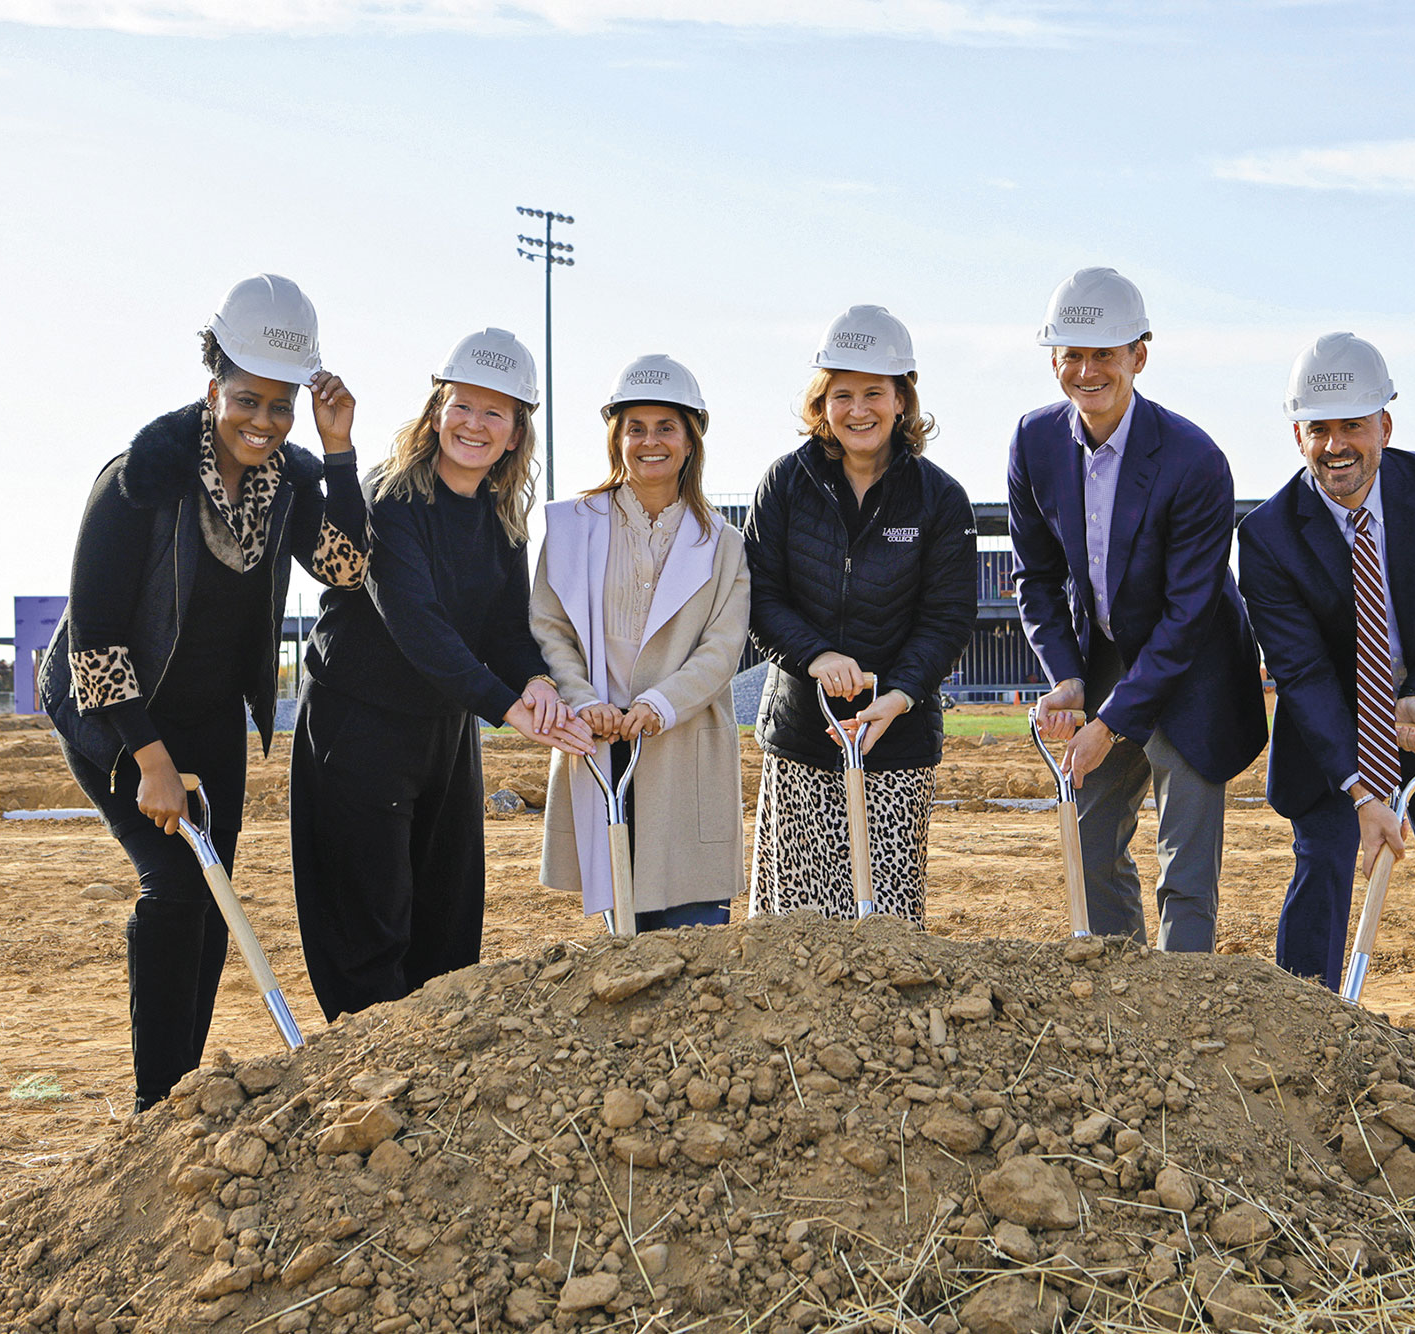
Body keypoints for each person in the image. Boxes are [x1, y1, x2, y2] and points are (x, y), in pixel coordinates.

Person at [40, 274, 366, 1111]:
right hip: (115, 714)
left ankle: (182, 1090)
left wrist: (337, 453)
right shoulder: (137, 481)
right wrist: (146, 758)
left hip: (213, 717)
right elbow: (96, 642)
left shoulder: (288, 479)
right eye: (248, 400)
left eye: (281, 406)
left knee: (214, 900)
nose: (263, 422)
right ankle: (156, 1110)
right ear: (212, 382)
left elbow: (346, 567)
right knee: (177, 884)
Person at [1235, 332, 1415, 1096]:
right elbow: (1298, 670)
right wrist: (1363, 790)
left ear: (1384, 427)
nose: (1336, 446)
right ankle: (1301, 1060)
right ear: (1297, 434)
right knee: (1325, 869)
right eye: (1318, 430)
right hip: (1333, 729)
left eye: (1352, 426)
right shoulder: (1266, 537)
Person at [291, 327, 592, 1022]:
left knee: (448, 927)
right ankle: (366, 1092)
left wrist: (535, 682)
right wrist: (506, 706)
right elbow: (414, 621)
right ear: (436, 413)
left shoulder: (498, 517)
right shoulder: (390, 501)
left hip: (443, 732)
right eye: (463, 406)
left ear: (517, 433)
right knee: (370, 931)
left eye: (496, 413)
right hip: (359, 727)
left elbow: (505, 629)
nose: (475, 425)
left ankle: (431, 1099)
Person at [1008, 267, 1267, 950]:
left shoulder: (1194, 461)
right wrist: (1065, 675)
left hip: (1194, 670)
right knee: (1090, 849)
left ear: (1138, 357)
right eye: (1073, 355)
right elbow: (1034, 577)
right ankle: (1126, 1015)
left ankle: (1183, 1025)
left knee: (1183, 873)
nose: (1088, 371)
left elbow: (1187, 617)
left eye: (1106, 354)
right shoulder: (1033, 442)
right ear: (1054, 359)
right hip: (1103, 659)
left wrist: (1110, 724)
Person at [744, 306, 978, 924]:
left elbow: (948, 617)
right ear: (822, 403)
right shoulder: (784, 484)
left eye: (874, 392)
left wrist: (898, 694)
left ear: (902, 399)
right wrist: (817, 655)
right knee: (792, 933)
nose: (858, 409)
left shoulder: (940, 498)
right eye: (841, 394)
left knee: (887, 934)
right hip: (801, 738)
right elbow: (760, 596)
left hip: (896, 746)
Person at [532, 355, 751, 931]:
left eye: (666, 427)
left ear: (690, 440)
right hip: (602, 740)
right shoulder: (571, 527)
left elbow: (722, 649)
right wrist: (582, 700)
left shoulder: (724, 543)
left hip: (684, 743)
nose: (649, 442)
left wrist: (660, 705)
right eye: (636, 427)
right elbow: (550, 629)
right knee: (623, 930)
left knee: (696, 939)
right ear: (616, 437)